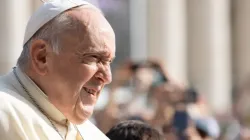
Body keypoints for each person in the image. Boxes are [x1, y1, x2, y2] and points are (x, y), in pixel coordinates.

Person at [0, 0, 115, 139]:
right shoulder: (5, 113)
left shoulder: (93, 135)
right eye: (94, 57)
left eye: (109, 61)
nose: (107, 77)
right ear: (42, 57)